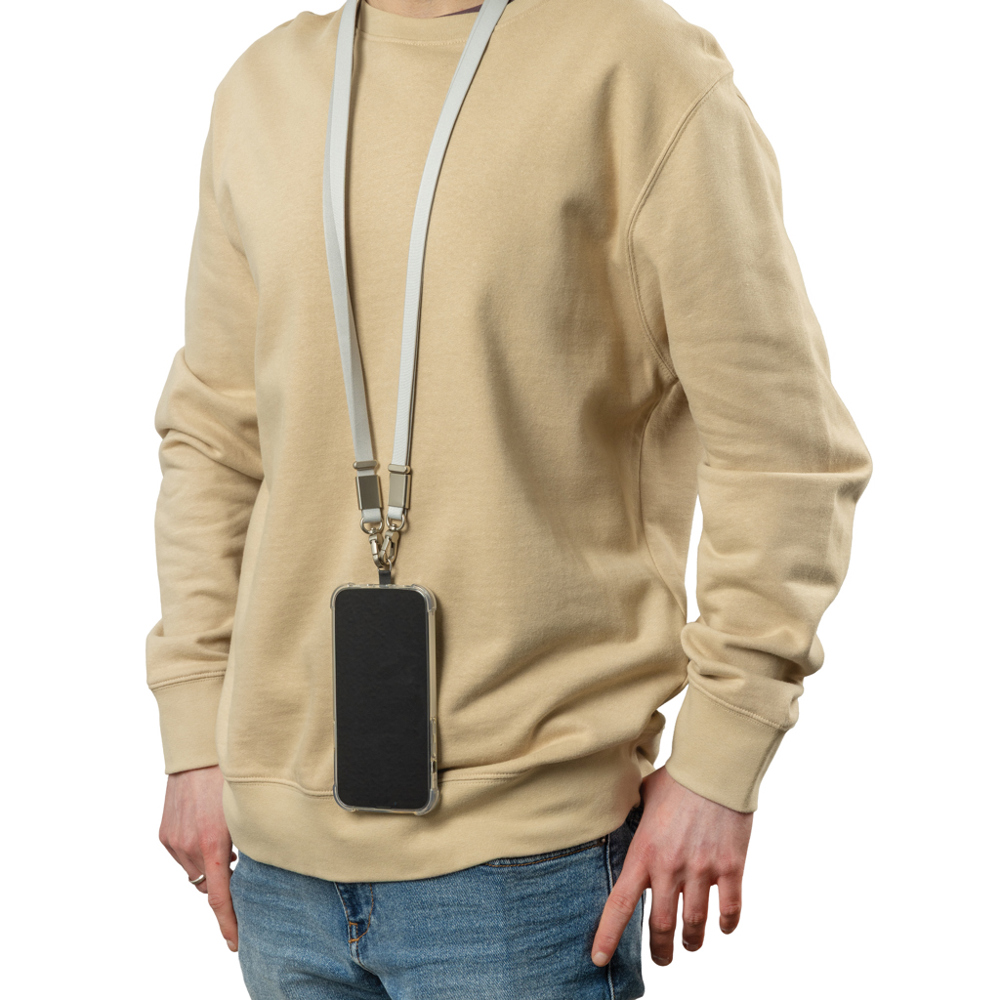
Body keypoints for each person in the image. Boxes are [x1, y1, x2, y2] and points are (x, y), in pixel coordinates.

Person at [149, 0, 872, 996]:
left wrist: (723, 755)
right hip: (276, 871)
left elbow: (785, 447)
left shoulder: (635, 66)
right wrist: (192, 732)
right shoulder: (262, 89)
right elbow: (214, 443)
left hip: (526, 874)